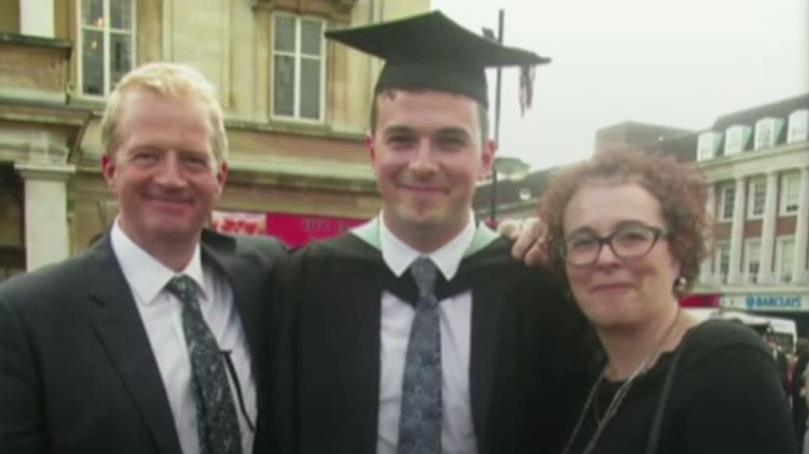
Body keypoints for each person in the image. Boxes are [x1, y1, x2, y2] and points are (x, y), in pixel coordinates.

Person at [256, 11, 591, 454]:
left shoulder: (535, 288)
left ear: (487, 157)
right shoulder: (304, 283)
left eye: (450, 141)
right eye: (401, 140)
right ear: (372, 149)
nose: (423, 163)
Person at [0, 63, 286, 454]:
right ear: (109, 170)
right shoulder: (28, 316)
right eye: (147, 156)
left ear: (220, 178)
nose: (171, 178)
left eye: (193, 160)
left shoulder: (266, 273)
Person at [537, 148, 795, 454]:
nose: (605, 258)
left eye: (632, 236)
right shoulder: (584, 377)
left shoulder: (726, 364)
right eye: (583, 242)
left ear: (678, 252)